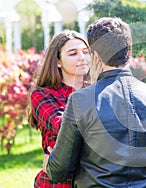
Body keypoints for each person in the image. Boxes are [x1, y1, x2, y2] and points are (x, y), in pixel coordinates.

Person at [45, 17, 146, 187]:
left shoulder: (80, 99)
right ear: (129, 51)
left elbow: (59, 170)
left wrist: (51, 160)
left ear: (96, 57)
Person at [27, 30, 90, 188]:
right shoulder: (43, 95)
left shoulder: (98, 91)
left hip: (93, 180)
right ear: (58, 62)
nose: (82, 57)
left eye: (85, 52)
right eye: (73, 53)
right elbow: (65, 127)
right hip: (58, 183)